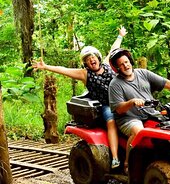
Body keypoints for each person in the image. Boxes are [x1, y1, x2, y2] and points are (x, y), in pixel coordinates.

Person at [32, 26, 128, 169]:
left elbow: (114, 48)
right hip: (106, 105)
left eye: (93, 57)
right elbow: (64, 70)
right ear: (85, 63)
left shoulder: (107, 64)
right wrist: (46, 67)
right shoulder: (85, 74)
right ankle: (115, 158)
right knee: (111, 122)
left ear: (98, 57)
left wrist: (120, 35)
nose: (91, 60)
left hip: (121, 99)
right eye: (88, 59)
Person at [108, 48, 170, 174]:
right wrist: (131, 102)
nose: (125, 65)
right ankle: (128, 164)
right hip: (129, 118)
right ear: (117, 68)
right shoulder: (115, 84)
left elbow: (165, 83)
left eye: (126, 62)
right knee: (138, 131)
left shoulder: (143, 73)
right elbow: (119, 109)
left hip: (150, 113)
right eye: (121, 64)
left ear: (130, 61)